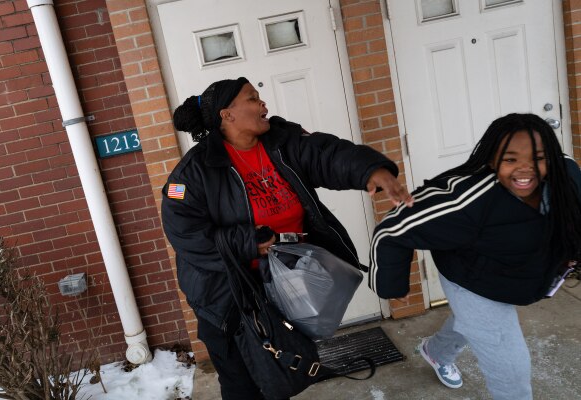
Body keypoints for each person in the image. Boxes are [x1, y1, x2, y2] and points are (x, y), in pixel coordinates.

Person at [161, 76, 413, 400]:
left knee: (280, 370)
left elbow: (326, 154)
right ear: (227, 115)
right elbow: (183, 232)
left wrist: (369, 170)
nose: (263, 104)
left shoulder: (283, 141)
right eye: (252, 99)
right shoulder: (192, 173)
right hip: (225, 295)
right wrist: (248, 243)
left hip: (281, 283)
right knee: (242, 384)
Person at [368, 113, 581, 399]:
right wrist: (392, 287)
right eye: (510, 159)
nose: (525, 169)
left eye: (538, 158)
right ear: (492, 160)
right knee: (512, 371)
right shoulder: (469, 197)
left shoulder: (567, 175)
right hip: (471, 277)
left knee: (470, 322)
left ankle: (436, 351)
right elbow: (391, 229)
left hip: (515, 270)